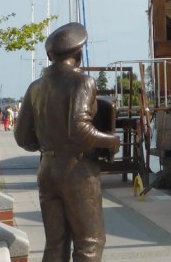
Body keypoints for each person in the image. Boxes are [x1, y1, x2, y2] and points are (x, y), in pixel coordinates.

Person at [14, 23, 120, 261]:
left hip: (48, 170)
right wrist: (111, 141)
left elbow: (22, 138)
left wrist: (48, 147)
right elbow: (80, 129)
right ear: (79, 54)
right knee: (89, 244)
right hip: (78, 171)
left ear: (50, 56)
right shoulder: (83, 82)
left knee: (55, 244)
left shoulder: (35, 88)